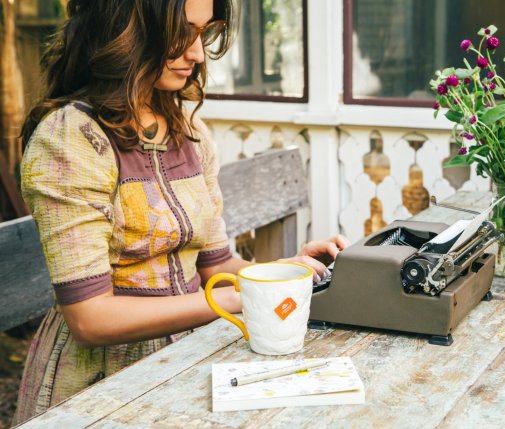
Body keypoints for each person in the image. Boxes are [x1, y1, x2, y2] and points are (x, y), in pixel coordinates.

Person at [13, 0, 349, 424]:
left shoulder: (188, 133)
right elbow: (91, 318)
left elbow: (216, 264)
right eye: (180, 32)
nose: (196, 53)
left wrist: (290, 271)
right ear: (126, 27)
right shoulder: (70, 139)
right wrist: (238, 298)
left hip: (191, 355)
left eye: (203, 33)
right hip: (102, 385)